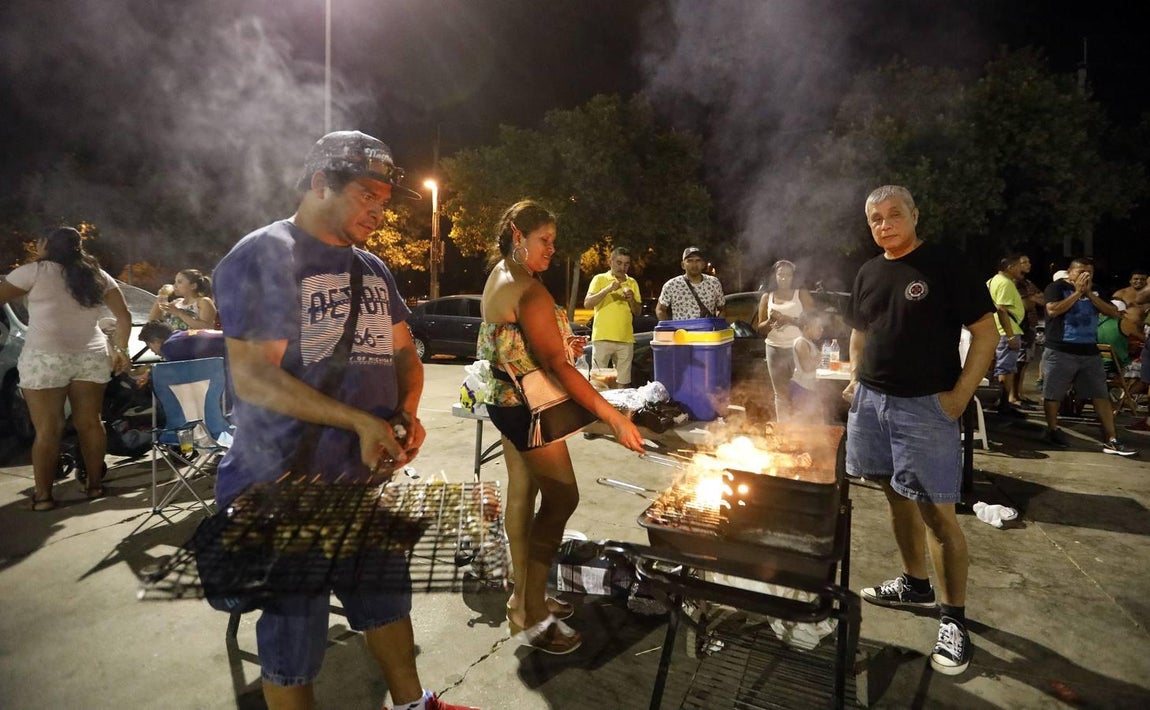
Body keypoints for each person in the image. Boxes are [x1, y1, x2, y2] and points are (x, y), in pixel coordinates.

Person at [211, 130, 479, 710]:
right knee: (293, 639)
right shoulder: (265, 253)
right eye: (366, 194)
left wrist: (405, 414)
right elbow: (254, 375)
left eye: (385, 200)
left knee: (387, 602)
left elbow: (406, 354)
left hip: (363, 486)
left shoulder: (374, 268)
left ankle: (413, 704)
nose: (379, 211)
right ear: (319, 184)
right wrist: (359, 421)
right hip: (284, 486)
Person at [841, 185, 997, 676]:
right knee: (893, 494)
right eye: (875, 220)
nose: (884, 225)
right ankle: (914, 582)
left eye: (893, 215)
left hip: (926, 408)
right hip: (872, 402)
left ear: (914, 216)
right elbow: (860, 331)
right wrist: (854, 375)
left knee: (938, 513)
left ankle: (953, 619)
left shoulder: (946, 264)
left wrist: (959, 397)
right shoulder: (868, 271)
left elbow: (988, 333)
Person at [478, 200, 644, 655]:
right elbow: (554, 364)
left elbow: (515, 343)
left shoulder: (501, 275)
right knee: (562, 496)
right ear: (517, 234)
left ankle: (521, 597)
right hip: (528, 408)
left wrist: (559, 343)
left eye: (554, 240)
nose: (552, 249)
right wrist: (611, 415)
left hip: (503, 398)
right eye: (544, 240)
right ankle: (531, 613)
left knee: (522, 494)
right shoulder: (530, 289)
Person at [0, 226, 131, 510]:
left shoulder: (33, 272)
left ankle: (44, 497)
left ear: (47, 244)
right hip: (91, 356)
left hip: (45, 357)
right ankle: (95, 486)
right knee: (90, 423)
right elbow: (124, 316)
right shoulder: (96, 274)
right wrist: (121, 350)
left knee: (48, 429)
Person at [1039, 259, 1135, 456]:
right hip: (1060, 350)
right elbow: (1052, 310)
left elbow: (1113, 312)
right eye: (1082, 271)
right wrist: (1077, 293)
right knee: (1054, 393)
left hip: (1089, 352)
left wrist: (1089, 294)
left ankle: (1111, 438)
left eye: (1090, 272)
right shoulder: (1056, 287)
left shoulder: (1096, 290)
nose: (1086, 275)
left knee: (1100, 394)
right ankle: (1052, 429)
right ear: (1070, 272)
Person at [754, 259, 814, 420]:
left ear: (794, 277)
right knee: (780, 394)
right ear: (775, 276)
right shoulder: (767, 297)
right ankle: (784, 433)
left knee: (800, 392)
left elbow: (813, 323)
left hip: (798, 349)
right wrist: (771, 321)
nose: (784, 278)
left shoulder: (800, 293)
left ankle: (801, 432)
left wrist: (789, 319)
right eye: (780, 274)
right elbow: (760, 328)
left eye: (788, 275)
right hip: (774, 349)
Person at [583, 246, 641, 386]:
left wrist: (632, 299)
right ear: (611, 262)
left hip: (625, 339)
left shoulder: (632, 283)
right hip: (602, 338)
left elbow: (637, 312)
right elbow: (588, 303)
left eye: (626, 264)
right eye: (619, 263)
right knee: (598, 382)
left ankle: (619, 408)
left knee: (623, 383)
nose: (622, 267)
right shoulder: (600, 279)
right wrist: (608, 289)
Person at [987, 255, 1026, 416]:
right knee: (1006, 369)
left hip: (997, 329)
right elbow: (1002, 309)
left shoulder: (992, 280)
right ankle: (1004, 405)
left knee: (1000, 367)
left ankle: (1000, 403)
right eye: (1018, 266)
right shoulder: (1005, 283)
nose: (1021, 269)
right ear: (1010, 268)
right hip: (1007, 331)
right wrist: (1010, 336)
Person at [655, 246, 724, 321]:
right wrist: (668, 328)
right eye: (689, 261)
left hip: (707, 332)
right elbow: (660, 309)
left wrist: (718, 325)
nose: (694, 264)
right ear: (683, 265)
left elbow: (722, 309)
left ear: (703, 264)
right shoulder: (672, 285)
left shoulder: (714, 283)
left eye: (698, 260)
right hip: (681, 331)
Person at [1012, 255, 1045, 406]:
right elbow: (1023, 302)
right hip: (1020, 325)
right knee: (1017, 362)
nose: (1028, 264)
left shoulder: (1027, 282)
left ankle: (1019, 392)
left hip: (1030, 326)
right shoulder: (1013, 282)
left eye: (1029, 261)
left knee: (1025, 361)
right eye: (1024, 262)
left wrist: (1031, 298)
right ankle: (1012, 395)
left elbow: (1041, 297)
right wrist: (1031, 299)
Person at [148, 268, 217, 331]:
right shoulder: (176, 302)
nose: (175, 285)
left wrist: (179, 313)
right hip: (173, 342)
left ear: (193, 286)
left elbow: (208, 327)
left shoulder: (203, 302)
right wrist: (160, 297)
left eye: (179, 282)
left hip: (193, 342)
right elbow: (154, 322)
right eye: (175, 282)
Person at [788, 310, 825, 421]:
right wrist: (821, 357)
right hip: (801, 388)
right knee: (803, 420)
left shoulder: (809, 342)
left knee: (815, 417)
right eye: (818, 327)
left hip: (809, 388)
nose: (821, 330)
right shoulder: (801, 343)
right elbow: (807, 367)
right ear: (806, 328)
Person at [140, 320, 226, 360]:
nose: (153, 352)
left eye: (149, 346)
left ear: (156, 340)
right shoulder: (181, 336)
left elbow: (179, 374)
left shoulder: (169, 347)